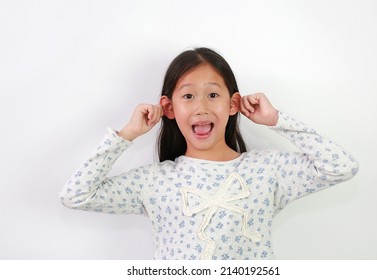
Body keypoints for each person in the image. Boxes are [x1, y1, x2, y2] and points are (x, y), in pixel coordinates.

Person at [60, 47, 359, 260]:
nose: (201, 106)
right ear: (169, 108)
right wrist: (126, 135)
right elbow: (76, 195)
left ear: (233, 104)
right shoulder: (154, 181)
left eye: (213, 94)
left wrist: (277, 120)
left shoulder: (268, 170)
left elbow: (341, 167)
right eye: (188, 96)